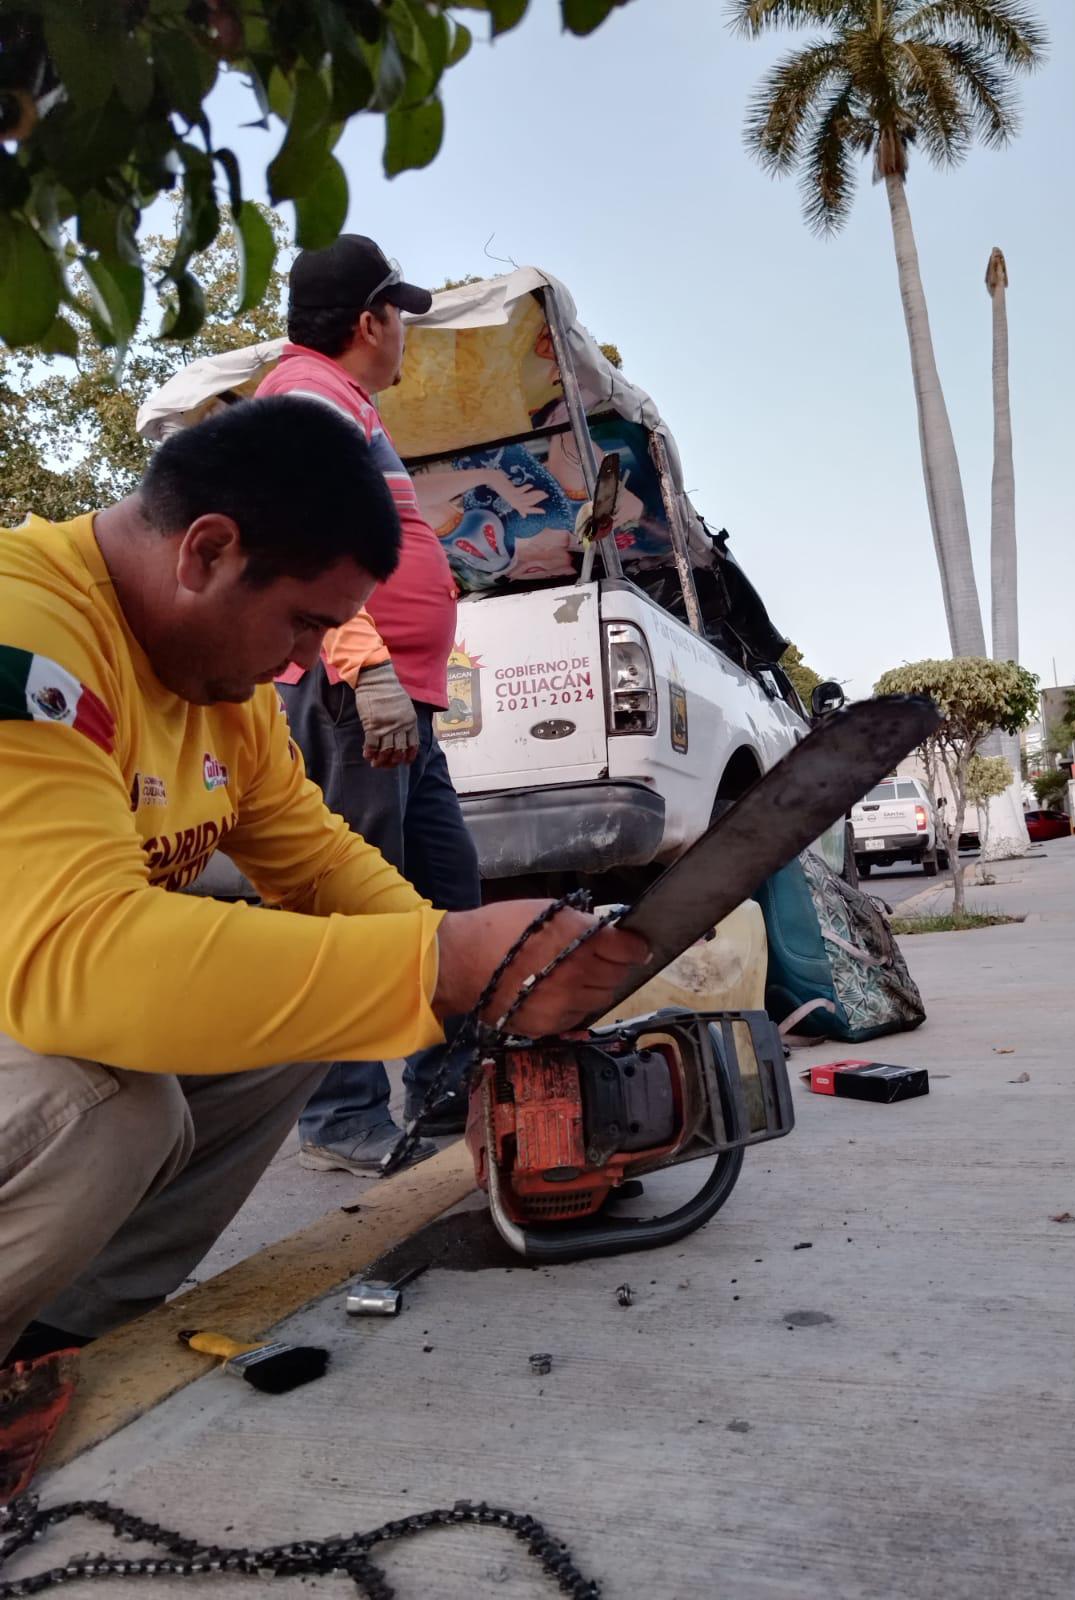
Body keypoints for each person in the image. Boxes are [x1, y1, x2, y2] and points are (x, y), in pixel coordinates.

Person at [0, 397, 646, 1366]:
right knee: (111, 1104)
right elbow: (72, 964)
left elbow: (321, 863)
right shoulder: (28, 631)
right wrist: (439, 960)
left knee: (303, 1017)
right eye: (304, 623)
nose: (307, 662)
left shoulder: (227, 691)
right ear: (206, 553)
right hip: (35, 974)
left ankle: (55, 1338)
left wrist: (482, 974)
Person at [256, 235, 480, 1175]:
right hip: (360, 693)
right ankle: (340, 1116)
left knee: (444, 890)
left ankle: (445, 1089)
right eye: (401, 319)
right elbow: (300, 540)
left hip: (399, 698)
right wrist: (365, 662)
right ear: (370, 320)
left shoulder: (339, 401)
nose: (404, 340)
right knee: (357, 906)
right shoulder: (307, 393)